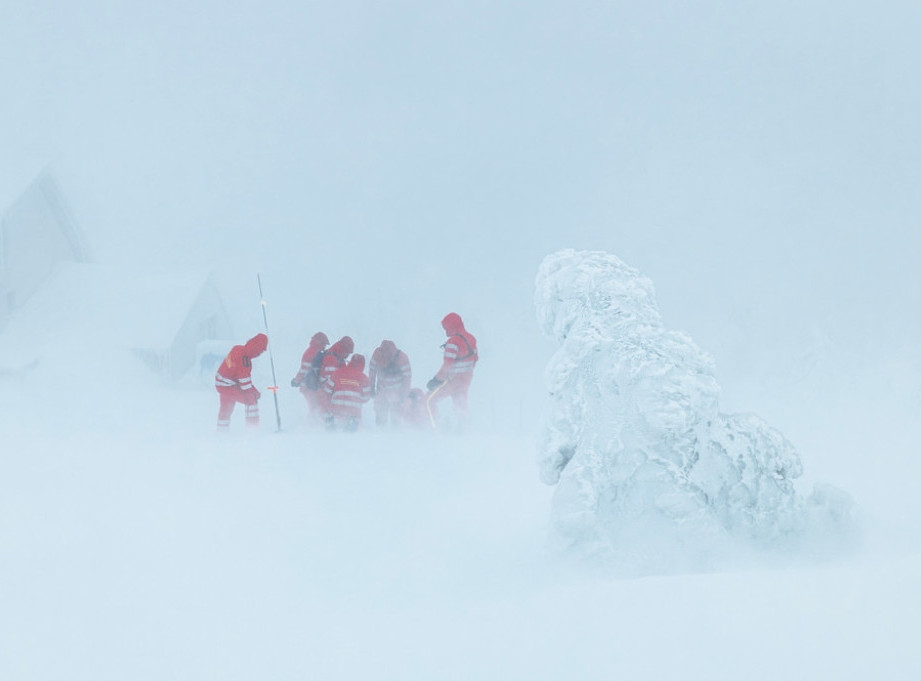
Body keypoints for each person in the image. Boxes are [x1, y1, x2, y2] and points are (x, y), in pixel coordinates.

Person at [425, 312, 478, 429]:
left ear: (453, 326)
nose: (445, 331)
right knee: (460, 405)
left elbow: (447, 365)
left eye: (446, 328)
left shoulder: (453, 342)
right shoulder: (471, 339)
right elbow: (475, 359)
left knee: (428, 400)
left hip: (452, 380)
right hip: (466, 380)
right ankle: (464, 428)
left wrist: (436, 380)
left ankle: (437, 426)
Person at [214, 333, 268, 431]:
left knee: (226, 407)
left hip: (221, 382)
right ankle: (253, 429)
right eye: (259, 352)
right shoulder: (245, 361)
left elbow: (233, 369)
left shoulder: (237, 349)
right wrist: (255, 394)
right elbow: (245, 385)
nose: (258, 355)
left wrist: (254, 390)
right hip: (228, 386)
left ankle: (221, 432)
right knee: (251, 400)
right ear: (256, 348)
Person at [322, 353, 371, 431]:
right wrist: (356, 397)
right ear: (362, 365)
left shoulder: (337, 373)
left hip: (336, 409)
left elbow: (327, 390)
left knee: (327, 412)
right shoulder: (364, 378)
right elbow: (366, 398)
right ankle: (351, 432)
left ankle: (330, 430)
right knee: (352, 430)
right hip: (353, 412)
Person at [368, 340, 412, 427]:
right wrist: (371, 387)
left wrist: (403, 394)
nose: (385, 356)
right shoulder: (377, 354)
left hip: (396, 391)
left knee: (395, 415)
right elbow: (372, 371)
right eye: (383, 353)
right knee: (380, 413)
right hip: (381, 389)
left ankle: (394, 433)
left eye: (388, 354)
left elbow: (407, 378)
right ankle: (381, 431)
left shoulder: (402, 358)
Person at [290, 331, 329, 425]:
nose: (324, 347)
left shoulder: (311, 351)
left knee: (315, 407)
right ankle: (311, 425)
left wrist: (296, 381)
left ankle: (313, 424)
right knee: (314, 407)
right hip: (309, 386)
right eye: (324, 344)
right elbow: (304, 370)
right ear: (319, 342)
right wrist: (296, 380)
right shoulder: (312, 353)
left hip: (309, 385)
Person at [316, 336, 354, 414]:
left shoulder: (339, 357)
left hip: (329, 391)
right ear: (344, 349)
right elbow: (332, 381)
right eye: (347, 353)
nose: (347, 356)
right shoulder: (332, 358)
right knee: (326, 415)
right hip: (325, 391)